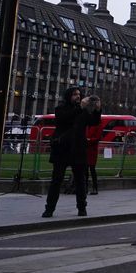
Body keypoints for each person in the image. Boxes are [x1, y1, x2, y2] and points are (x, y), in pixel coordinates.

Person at [42, 87, 101, 218]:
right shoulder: (61, 109)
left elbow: (94, 122)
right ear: (68, 96)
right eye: (75, 94)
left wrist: (97, 109)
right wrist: (80, 107)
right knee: (56, 180)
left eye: (79, 94)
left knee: (80, 180)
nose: (78, 97)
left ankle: (82, 208)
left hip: (78, 149)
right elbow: (64, 119)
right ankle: (49, 208)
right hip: (62, 148)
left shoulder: (83, 111)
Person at [83, 96, 103, 195]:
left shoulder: (98, 123)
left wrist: (89, 140)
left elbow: (98, 137)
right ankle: (85, 187)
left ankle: (95, 188)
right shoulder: (87, 123)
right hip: (86, 149)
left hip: (92, 149)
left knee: (92, 169)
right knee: (85, 170)